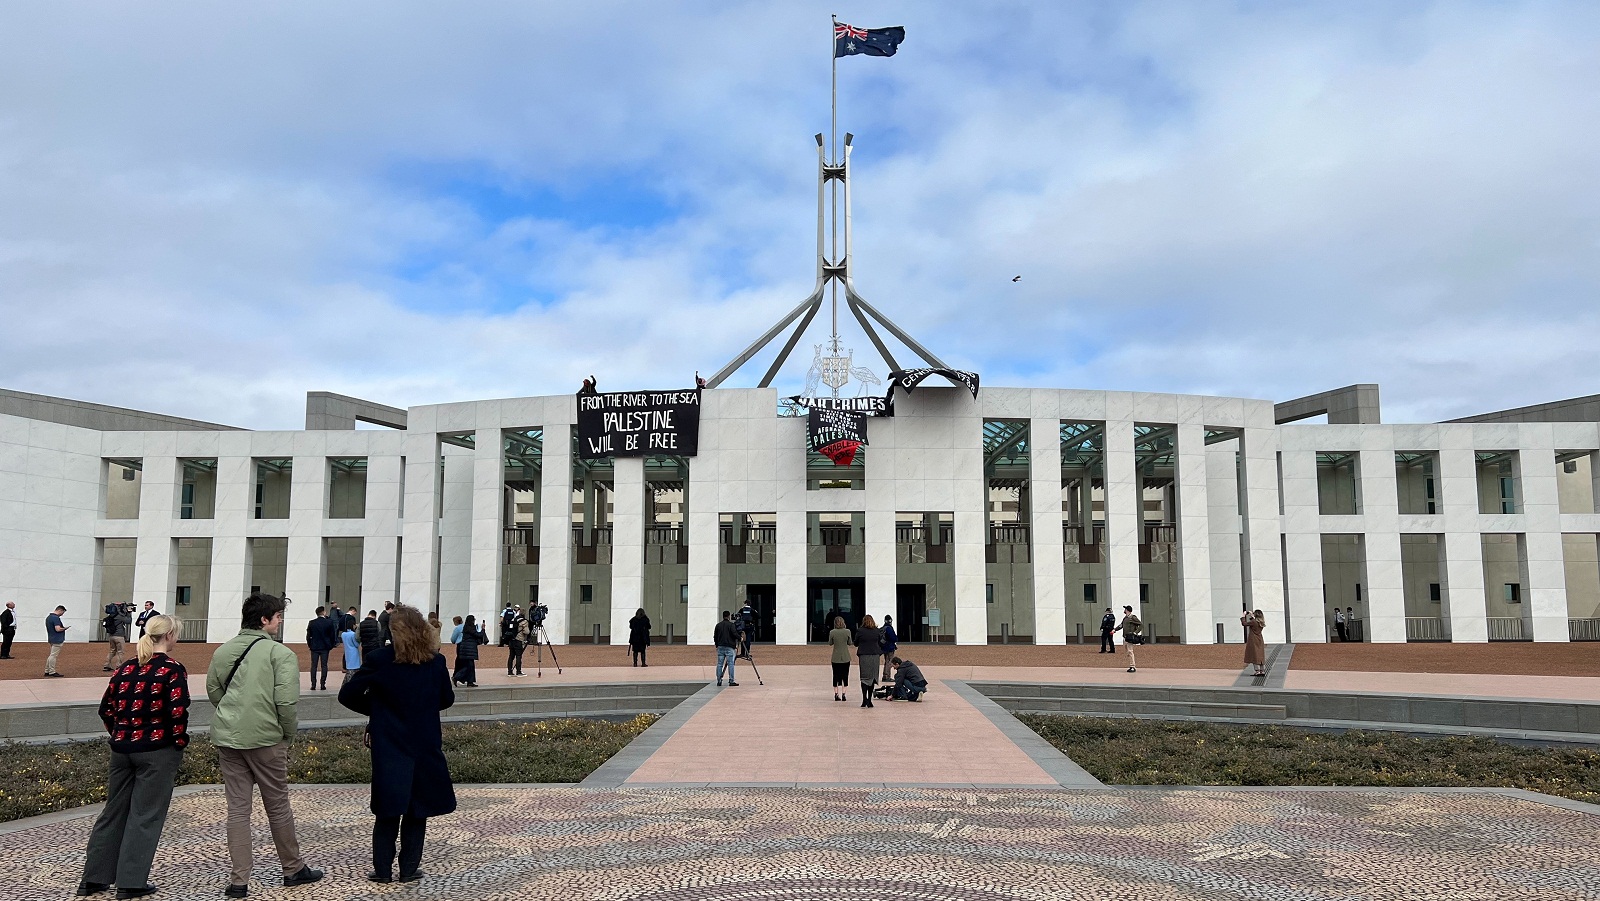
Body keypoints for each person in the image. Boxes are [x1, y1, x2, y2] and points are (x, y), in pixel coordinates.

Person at [205, 591, 323, 898]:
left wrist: (232, 714)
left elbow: (214, 691)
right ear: (264, 620)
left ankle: (239, 880)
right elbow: (286, 702)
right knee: (278, 806)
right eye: (278, 616)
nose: (280, 621)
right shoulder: (280, 654)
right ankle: (293, 868)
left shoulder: (222, 651)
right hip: (266, 737)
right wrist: (287, 734)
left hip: (229, 738)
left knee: (238, 810)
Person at [338, 605, 456, 884]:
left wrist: (377, 711)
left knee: (388, 807)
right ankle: (408, 868)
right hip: (424, 740)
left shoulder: (380, 659)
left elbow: (348, 695)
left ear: (393, 631)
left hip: (389, 741)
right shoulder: (435, 661)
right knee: (418, 807)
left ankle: (382, 871)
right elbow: (447, 699)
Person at [76, 613, 190, 900]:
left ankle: (93, 879)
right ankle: (131, 882)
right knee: (145, 815)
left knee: (113, 812)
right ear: (169, 636)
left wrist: (120, 734)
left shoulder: (125, 668)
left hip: (122, 749)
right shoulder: (173, 670)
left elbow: (106, 709)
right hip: (156, 750)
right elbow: (177, 712)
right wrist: (178, 742)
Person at [305, 606, 339, 691]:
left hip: (314, 646)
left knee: (314, 666)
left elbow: (308, 636)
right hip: (325, 646)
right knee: (324, 665)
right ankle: (322, 684)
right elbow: (332, 635)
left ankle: (313, 684)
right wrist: (331, 645)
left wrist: (310, 645)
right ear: (323, 612)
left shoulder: (312, 623)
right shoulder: (329, 622)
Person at [854, 614, 883, 708]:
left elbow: (856, 643)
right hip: (875, 656)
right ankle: (870, 700)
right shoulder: (876, 631)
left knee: (865, 678)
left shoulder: (860, 631)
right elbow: (880, 642)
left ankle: (864, 699)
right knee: (873, 678)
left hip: (864, 656)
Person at [453, 614, 482, 687]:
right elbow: (478, 635)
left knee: (470, 666)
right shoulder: (470, 628)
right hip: (469, 649)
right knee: (469, 666)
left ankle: (470, 681)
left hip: (465, 648)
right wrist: (483, 629)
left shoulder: (466, 627)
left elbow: (453, 638)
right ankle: (457, 677)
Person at [828, 616, 852, 701]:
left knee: (835, 675)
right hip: (845, 656)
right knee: (845, 676)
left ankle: (836, 693)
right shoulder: (847, 631)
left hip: (835, 657)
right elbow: (850, 643)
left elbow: (830, 643)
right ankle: (844, 694)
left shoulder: (832, 632)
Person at [1113, 605, 1142, 673]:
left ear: (1127, 610)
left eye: (1125, 609)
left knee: (1130, 651)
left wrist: (1135, 632)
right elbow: (1121, 625)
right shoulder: (1125, 618)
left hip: (1130, 637)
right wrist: (1115, 630)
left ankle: (1132, 666)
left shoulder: (1133, 617)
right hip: (1125, 637)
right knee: (1128, 652)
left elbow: (1140, 625)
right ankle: (1131, 665)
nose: (1124, 610)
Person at [713, 611, 739, 687]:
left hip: (720, 646)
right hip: (729, 646)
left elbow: (715, 636)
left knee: (719, 664)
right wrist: (739, 637)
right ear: (728, 616)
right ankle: (731, 680)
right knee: (731, 664)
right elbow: (734, 634)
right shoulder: (731, 625)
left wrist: (717, 645)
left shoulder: (718, 625)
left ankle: (719, 680)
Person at [103, 602, 132, 672]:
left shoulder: (110, 616)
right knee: (120, 652)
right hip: (119, 636)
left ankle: (106, 665)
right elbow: (129, 621)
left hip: (111, 636)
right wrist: (128, 613)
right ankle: (119, 666)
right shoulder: (119, 616)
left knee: (112, 651)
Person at [45, 604, 68, 677]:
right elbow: (58, 629)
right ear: (60, 610)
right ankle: (52, 671)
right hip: (57, 639)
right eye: (63, 612)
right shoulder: (55, 618)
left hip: (51, 638)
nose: (62, 614)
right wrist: (64, 628)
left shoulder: (49, 617)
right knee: (53, 656)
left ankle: (47, 670)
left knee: (51, 655)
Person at [1243, 609, 1267, 677]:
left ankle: (1257, 671)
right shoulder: (1261, 622)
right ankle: (1262, 670)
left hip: (1253, 639)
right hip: (1260, 639)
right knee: (1260, 654)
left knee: (1255, 655)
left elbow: (1244, 624)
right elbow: (1254, 622)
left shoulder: (1253, 622)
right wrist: (1252, 616)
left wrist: (1243, 616)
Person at [505, 606, 526, 676]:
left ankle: (509, 671)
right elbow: (527, 631)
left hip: (511, 639)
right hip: (519, 639)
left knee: (511, 656)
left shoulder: (513, 619)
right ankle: (518, 671)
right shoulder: (524, 621)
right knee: (518, 656)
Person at [340, 618, 361, 683]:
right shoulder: (353, 634)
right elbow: (356, 644)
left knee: (349, 670)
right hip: (354, 652)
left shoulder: (343, 634)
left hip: (347, 652)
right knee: (354, 670)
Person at [879, 615, 899, 681]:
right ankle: (887, 676)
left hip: (884, 647)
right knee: (889, 662)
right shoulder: (889, 628)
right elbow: (893, 638)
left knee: (886, 661)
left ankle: (885, 675)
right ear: (890, 620)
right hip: (890, 648)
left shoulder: (883, 628)